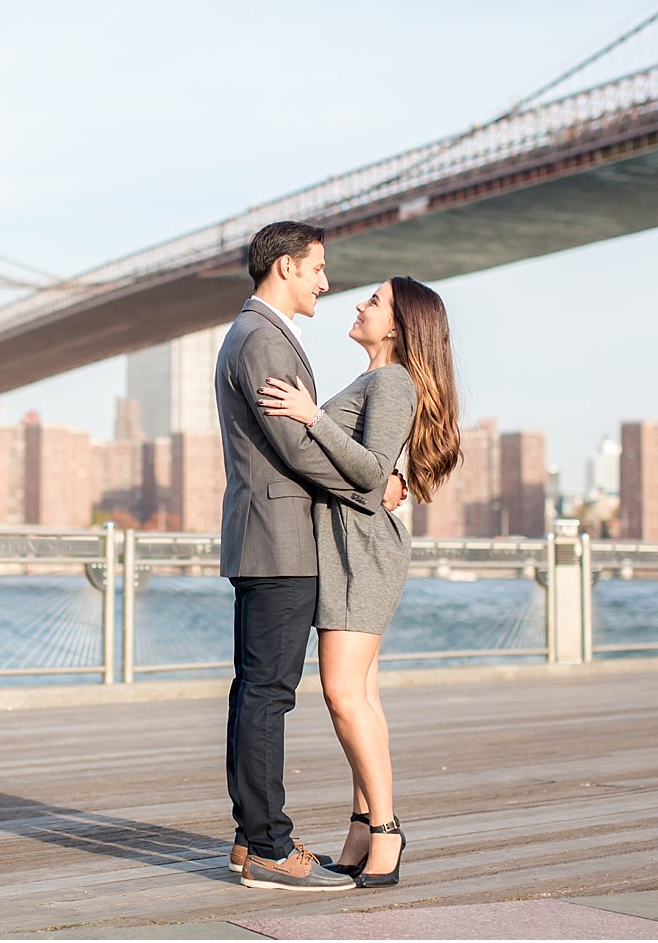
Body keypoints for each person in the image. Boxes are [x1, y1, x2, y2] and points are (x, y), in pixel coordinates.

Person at [215, 221, 405, 892]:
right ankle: (270, 848)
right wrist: (372, 487)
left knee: (258, 692)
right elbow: (296, 449)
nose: (327, 282)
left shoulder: (256, 333)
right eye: (319, 268)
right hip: (281, 537)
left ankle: (250, 840)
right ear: (287, 268)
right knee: (267, 694)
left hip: (271, 534)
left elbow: (302, 438)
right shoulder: (263, 337)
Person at [259, 275, 462, 888]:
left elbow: (373, 473)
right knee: (362, 697)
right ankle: (360, 828)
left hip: (363, 550)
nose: (358, 304)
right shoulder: (378, 379)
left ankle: (387, 833)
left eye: (373, 302)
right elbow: (380, 474)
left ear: (398, 326)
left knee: (344, 694)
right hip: (354, 546)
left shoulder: (393, 381)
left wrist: (310, 418)